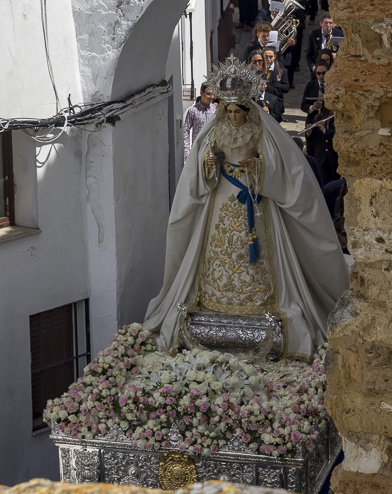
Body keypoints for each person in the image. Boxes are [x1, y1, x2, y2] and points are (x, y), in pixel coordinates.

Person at [143, 57, 349, 359]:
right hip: (222, 196)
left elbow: (282, 166)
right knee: (220, 247)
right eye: (229, 111)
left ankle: (262, 306)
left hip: (255, 198)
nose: (234, 116)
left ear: (248, 110)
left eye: (238, 111)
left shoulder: (261, 131)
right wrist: (207, 166)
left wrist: (259, 168)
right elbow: (199, 167)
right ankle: (214, 302)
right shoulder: (214, 132)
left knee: (259, 250)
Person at [182, 83, 216, 161]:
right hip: (198, 150)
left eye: (213, 94)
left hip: (213, 150)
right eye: (208, 94)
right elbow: (185, 131)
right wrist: (186, 152)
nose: (211, 97)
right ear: (201, 93)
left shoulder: (215, 110)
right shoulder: (193, 111)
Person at [305, 111, 339, 186]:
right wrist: (309, 132)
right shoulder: (319, 117)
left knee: (333, 183)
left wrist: (324, 130)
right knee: (321, 182)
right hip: (321, 157)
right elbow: (313, 138)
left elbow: (337, 134)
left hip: (334, 157)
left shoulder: (339, 118)